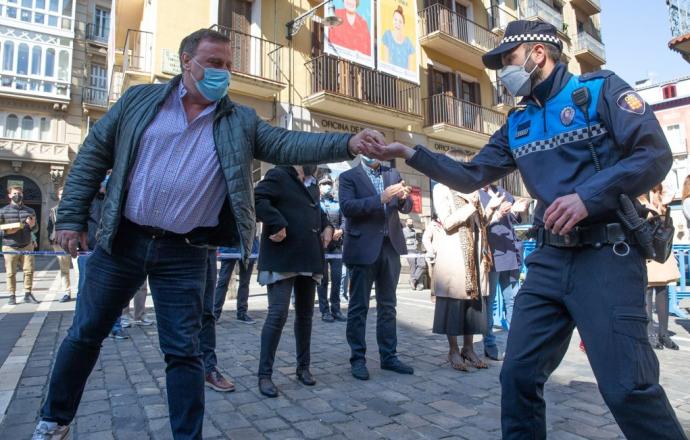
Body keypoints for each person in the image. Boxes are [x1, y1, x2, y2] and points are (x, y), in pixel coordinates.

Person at [32, 27, 382, 440]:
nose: (223, 73)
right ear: (186, 61)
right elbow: (92, 155)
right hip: (122, 240)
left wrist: (349, 142)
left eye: (229, 66)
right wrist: (71, 217)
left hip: (185, 251)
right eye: (214, 64)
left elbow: (288, 144)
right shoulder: (139, 100)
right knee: (85, 334)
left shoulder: (241, 121)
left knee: (184, 352)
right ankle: (54, 421)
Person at [374, 20, 687, 440]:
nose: (503, 71)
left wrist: (587, 197)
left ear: (538, 53)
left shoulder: (599, 91)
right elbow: (471, 176)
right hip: (548, 261)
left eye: (508, 59)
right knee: (518, 377)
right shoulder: (517, 123)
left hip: (606, 256)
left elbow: (654, 154)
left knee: (629, 389)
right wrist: (411, 152)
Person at [254, 165, 333, 398]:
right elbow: (257, 199)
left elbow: (317, 213)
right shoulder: (279, 175)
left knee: (306, 316)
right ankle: (264, 375)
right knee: (277, 314)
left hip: (308, 257)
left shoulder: (312, 184)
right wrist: (276, 222)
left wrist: (328, 225)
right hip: (283, 257)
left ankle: (303, 368)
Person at [339, 156, 413, 380]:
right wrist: (381, 197)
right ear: (362, 150)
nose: (377, 151)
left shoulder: (393, 174)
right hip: (363, 248)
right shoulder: (348, 177)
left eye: (380, 145)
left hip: (390, 247)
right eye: (371, 145)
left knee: (388, 306)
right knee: (359, 307)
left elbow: (407, 208)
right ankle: (358, 359)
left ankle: (389, 357)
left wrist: (402, 199)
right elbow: (348, 207)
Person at [428, 155, 499, 371]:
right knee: (454, 303)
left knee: (472, 305)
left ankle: (469, 348)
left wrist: (492, 208)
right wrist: (471, 205)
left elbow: (481, 223)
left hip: (474, 257)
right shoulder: (441, 189)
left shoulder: (472, 190)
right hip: (454, 255)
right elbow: (447, 222)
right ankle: (453, 350)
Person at [479, 184, 529, 360]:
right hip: (491, 253)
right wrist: (498, 211)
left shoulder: (503, 191)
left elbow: (514, 220)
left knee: (513, 299)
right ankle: (489, 343)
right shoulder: (475, 192)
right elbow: (479, 223)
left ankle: (517, 343)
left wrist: (517, 210)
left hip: (510, 252)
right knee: (490, 301)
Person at [640, 184, 680, 350]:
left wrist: (659, 199)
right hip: (648, 249)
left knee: (663, 290)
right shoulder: (638, 198)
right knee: (648, 291)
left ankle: (663, 333)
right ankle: (650, 333)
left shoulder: (659, 197)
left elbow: (671, 190)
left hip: (662, 249)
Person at [200, 248, 236, 392]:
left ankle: (208, 369)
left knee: (207, 313)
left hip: (206, 247)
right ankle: (185, 369)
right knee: (180, 316)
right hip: (173, 245)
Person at [0, 185, 39, 305]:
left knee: (29, 270)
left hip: (27, 245)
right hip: (10, 245)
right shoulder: (3, 211)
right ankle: (12, 295)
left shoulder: (30, 211)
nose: (18, 196)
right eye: (15, 194)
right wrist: (7, 231)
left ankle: (28, 293)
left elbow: (36, 228)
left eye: (20, 193)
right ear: (10, 195)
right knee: (11, 272)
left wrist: (32, 226)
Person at [317, 174, 346, 322]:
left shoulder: (337, 203)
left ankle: (336, 309)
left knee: (337, 278)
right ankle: (324, 311)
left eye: (329, 183)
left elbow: (345, 220)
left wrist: (341, 230)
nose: (327, 186)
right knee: (322, 280)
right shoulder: (315, 203)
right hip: (321, 246)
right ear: (319, 187)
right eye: (324, 184)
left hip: (336, 246)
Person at [214, 238, 258, 324]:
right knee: (223, 281)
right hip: (230, 242)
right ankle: (215, 313)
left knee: (245, 282)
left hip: (248, 241)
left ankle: (242, 313)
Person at [48, 187, 73, 303]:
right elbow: (50, 226)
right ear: (58, 196)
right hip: (59, 243)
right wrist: (51, 239)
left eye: (65, 193)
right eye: (61, 194)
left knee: (79, 269)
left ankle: (81, 292)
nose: (63, 196)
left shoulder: (74, 208)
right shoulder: (53, 210)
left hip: (74, 242)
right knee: (64, 269)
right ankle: (66, 292)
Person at [381, 6, 414, 70]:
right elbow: (386, 60)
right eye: (395, 19)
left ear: (403, 24)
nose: (397, 23)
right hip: (389, 76)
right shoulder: (387, 35)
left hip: (404, 78)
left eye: (400, 21)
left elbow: (410, 68)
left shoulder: (408, 43)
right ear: (392, 20)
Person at [403, 218, 425, 290]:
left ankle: (413, 279)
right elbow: (401, 241)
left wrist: (416, 241)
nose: (411, 224)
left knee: (422, 264)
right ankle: (416, 284)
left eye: (412, 222)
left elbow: (415, 239)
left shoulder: (414, 231)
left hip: (416, 249)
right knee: (413, 266)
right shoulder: (403, 231)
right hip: (409, 250)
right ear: (406, 223)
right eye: (409, 222)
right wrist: (407, 242)